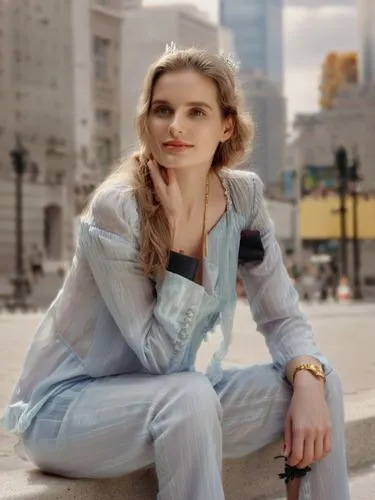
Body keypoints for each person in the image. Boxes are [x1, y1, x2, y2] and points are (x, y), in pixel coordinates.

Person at [1, 46, 349, 500]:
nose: (176, 126)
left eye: (196, 112)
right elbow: (162, 359)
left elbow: (281, 315)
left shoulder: (242, 199)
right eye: (163, 110)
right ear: (146, 120)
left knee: (322, 380)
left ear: (226, 125)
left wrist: (305, 375)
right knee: (188, 396)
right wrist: (184, 247)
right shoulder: (118, 208)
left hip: (164, 398)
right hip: (67, 411)